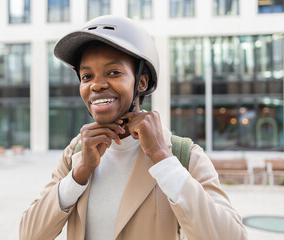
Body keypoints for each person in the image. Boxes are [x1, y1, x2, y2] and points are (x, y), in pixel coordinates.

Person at [19, 15, 248, 240]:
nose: (96, 85)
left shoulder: (184, 156)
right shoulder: (75, 154)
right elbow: (29, 235)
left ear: (141, 82)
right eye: (87, 76)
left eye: (113, 72)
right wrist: (79, 175)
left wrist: (162, 158)